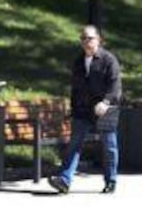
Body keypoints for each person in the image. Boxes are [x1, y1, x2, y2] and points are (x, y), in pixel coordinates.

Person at [48, 24, 122, 194]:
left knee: (109, 146)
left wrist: (106, 102)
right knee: (75, 144)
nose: (86, 42)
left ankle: (111, 180)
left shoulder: (109, 60)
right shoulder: (78, 61)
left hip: (105, 108)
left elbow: (115, 86)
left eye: (90, 38)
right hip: (83, 109)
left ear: (99, 40)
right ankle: (64, 181)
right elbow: (76, 87)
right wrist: (73, 108)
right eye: (83, 39)